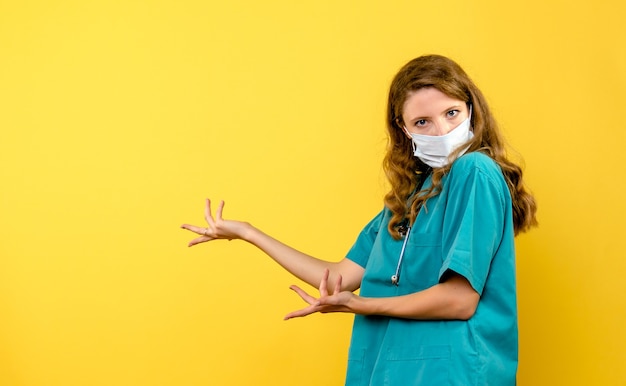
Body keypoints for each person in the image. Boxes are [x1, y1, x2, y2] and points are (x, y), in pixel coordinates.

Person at [181, 54, 538, 385]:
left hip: (448, 371)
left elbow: (460, 299)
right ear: (403, 128)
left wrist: (360, 305)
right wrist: (248, 233)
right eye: (422, 122)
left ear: (471, 109)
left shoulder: (475, 171)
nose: (442, 132)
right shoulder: (411, 196)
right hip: (388, 369)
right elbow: (339, 277)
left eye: (452, 113)